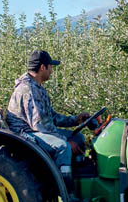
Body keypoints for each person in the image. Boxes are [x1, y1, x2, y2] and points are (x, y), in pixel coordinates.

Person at [6, 50, 90, 182]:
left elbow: (51, 117)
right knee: (63, 146)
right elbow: (40, 124)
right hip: (24, 134)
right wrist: (66, 141)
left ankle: (79, 178)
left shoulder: (38, 88)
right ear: (42, 67)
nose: (52, 71)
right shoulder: (28, 89)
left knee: (78, 137)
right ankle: (65, 192)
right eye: (50, 67)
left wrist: (75, 120)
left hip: (36, 130)